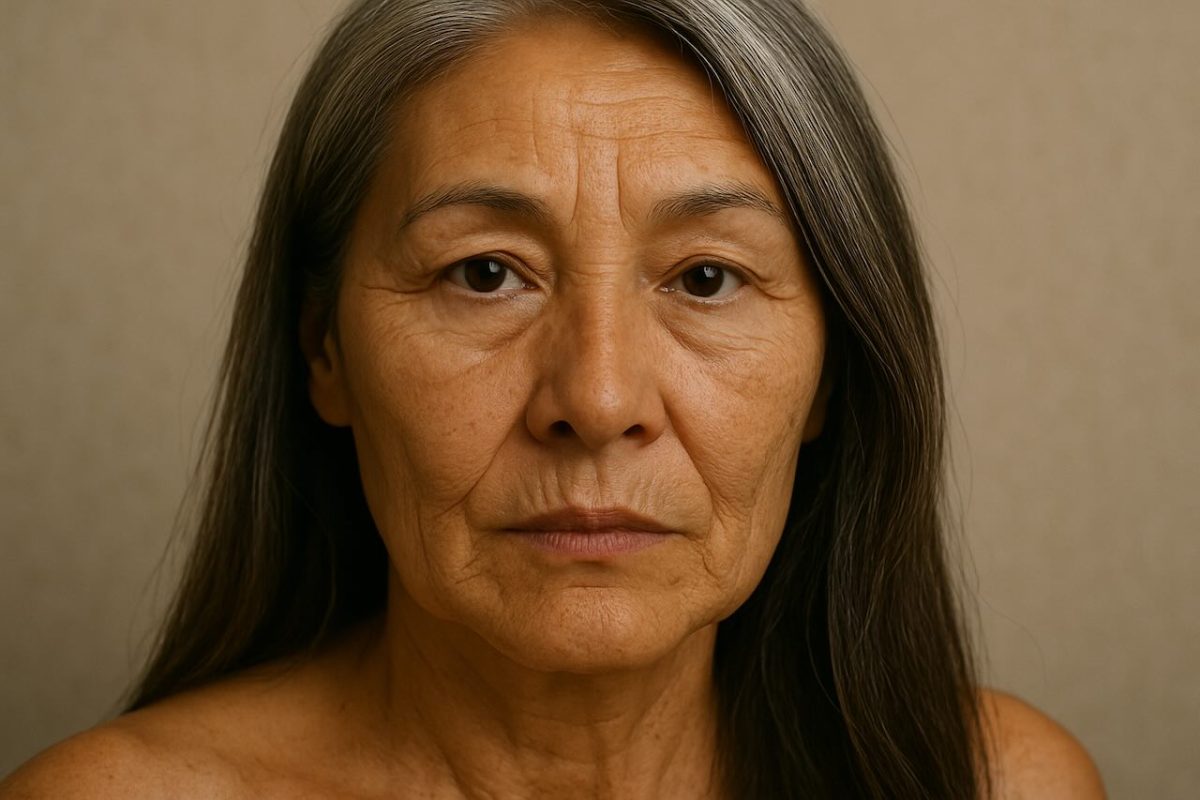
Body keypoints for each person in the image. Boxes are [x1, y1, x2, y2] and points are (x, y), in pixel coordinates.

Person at [1, 1, 1105, 797]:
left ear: (834, 373)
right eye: (484, 272)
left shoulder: (1002, 783)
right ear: (324, 350)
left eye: (706, 278)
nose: (599, 397)